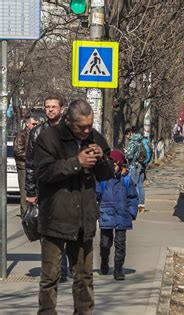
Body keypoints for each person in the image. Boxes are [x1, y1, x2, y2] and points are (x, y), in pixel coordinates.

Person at [34, 99, 114, 314]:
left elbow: (107, 173)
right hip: (55, 218)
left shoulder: (94, 137)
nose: (87, 130)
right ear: (68, 121)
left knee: (84, 277)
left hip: (83, 220)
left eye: (90, 125)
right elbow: (43, 173)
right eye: (82, 127)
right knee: (50, 277)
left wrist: (102, 159)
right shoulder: (49, 138)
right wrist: (77, 162)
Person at [24, 93, 71, 283]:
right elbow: (30, 163)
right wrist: (30, 191)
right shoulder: (37, 133)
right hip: (44, 188)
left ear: (61, 109)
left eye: (54, 106)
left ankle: (64, 268)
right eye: (47, 107)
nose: (50, 109)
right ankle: (52, 269)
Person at [96, 150, 138, 281]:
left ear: (120, 165)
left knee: (120, 244)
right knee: (105, 243)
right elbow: (95, 195)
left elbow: (132, 197)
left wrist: (131, 212)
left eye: (114, 165)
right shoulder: (102, 179)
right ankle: (104, 261)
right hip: (106, 214)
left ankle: (118, 269)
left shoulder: (126, 180)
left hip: (122, 215)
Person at [13, 116, 38, 216]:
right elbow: (18, 151)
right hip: (23, 166)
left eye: (36, 124)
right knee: (24, 191)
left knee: (32, 190)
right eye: (33, 124)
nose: (35, 126)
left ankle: (32, 212)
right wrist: (30, 157)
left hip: (33, 166)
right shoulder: (22, 135)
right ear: (27, 124)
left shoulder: (35, 134)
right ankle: (25, 213)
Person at [126, 130, 151, 213]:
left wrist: (126, 152)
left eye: (127, 135)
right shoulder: (141, 141)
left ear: (130, 133)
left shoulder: (132, 142)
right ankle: (142, 205)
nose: (127, 137)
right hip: (142, 166)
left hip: (134, 166)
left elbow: (129, 155)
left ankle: (135, 204)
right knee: (141, 185)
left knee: (134, 185)